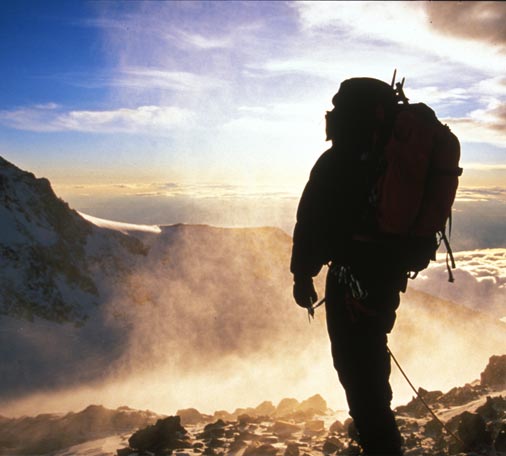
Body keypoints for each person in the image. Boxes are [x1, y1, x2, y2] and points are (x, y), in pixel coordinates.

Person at [290, 78, 408, 456]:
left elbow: (310, 220)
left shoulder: (338, 161)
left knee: (356, 365)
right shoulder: (390, 157)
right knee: (370, 352)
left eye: (338, 109)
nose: (331, 115)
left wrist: (302, 274)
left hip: (348, 278)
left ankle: (381, 442)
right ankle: (379, 432)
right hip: (386, 275)